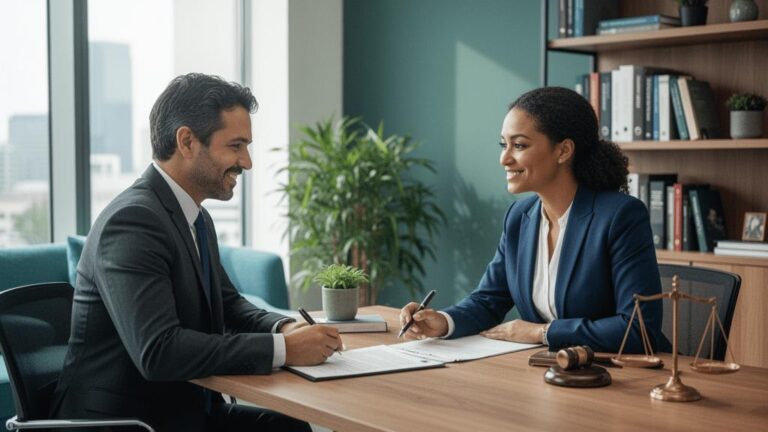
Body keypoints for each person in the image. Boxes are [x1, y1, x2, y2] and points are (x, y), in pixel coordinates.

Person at [50, 73, 341, 432]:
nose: (247, 162)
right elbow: (159, 351)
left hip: (181, 411)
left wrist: (285, 326)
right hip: (126, 422)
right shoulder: (133, 221)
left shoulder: (194, 216)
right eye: (236, 146)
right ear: (187, 141)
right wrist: (283, 349)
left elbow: (230, 304)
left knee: (288, 426)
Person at [400, 86, 670, 354]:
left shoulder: (620, 216)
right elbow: (488, 300)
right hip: (552, 370)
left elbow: (639, 329)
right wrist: (443, 322)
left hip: (622, 376)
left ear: (563, 151)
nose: (504, 158)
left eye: (519, 145)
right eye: (503, 145)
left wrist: (543, 332)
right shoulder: (519, 217)